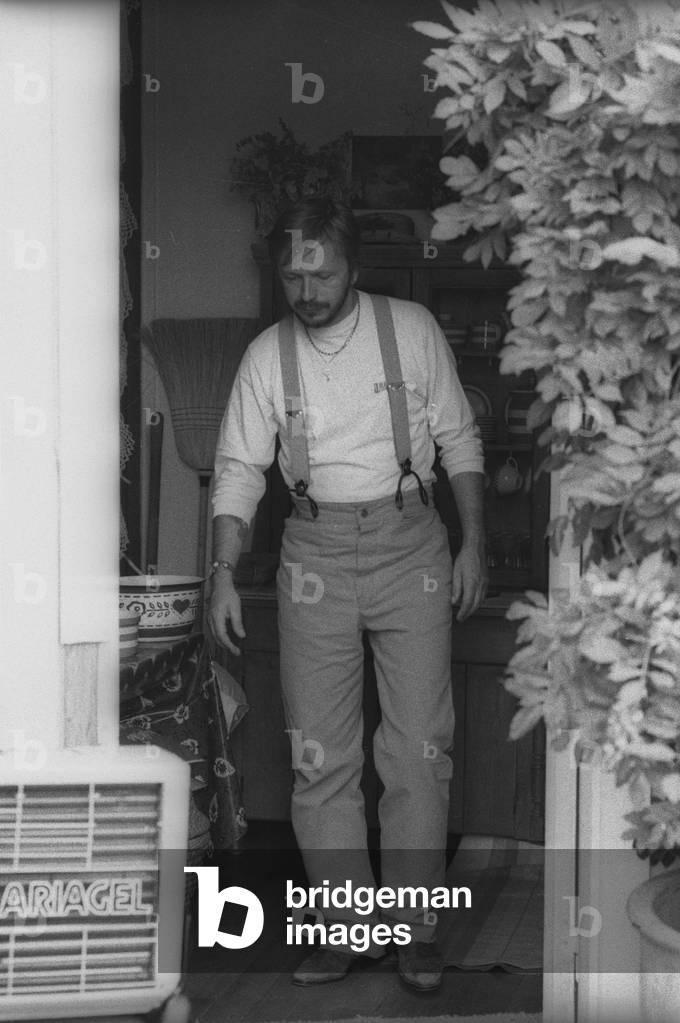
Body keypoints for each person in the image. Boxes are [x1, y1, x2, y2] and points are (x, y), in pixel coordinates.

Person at [209, 196, 487, 991]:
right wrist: (223, 572)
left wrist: (473, 544)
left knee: (415, 748)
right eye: (292, 275)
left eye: (320, 273)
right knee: (319, 754)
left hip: (411, 543)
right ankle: (345, 925)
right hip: (312, 551)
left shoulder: (411, 330)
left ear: (352, 268)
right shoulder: (267, 356)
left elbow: (462, 438)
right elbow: (236, 469)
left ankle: (415, 927)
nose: (306, 290)